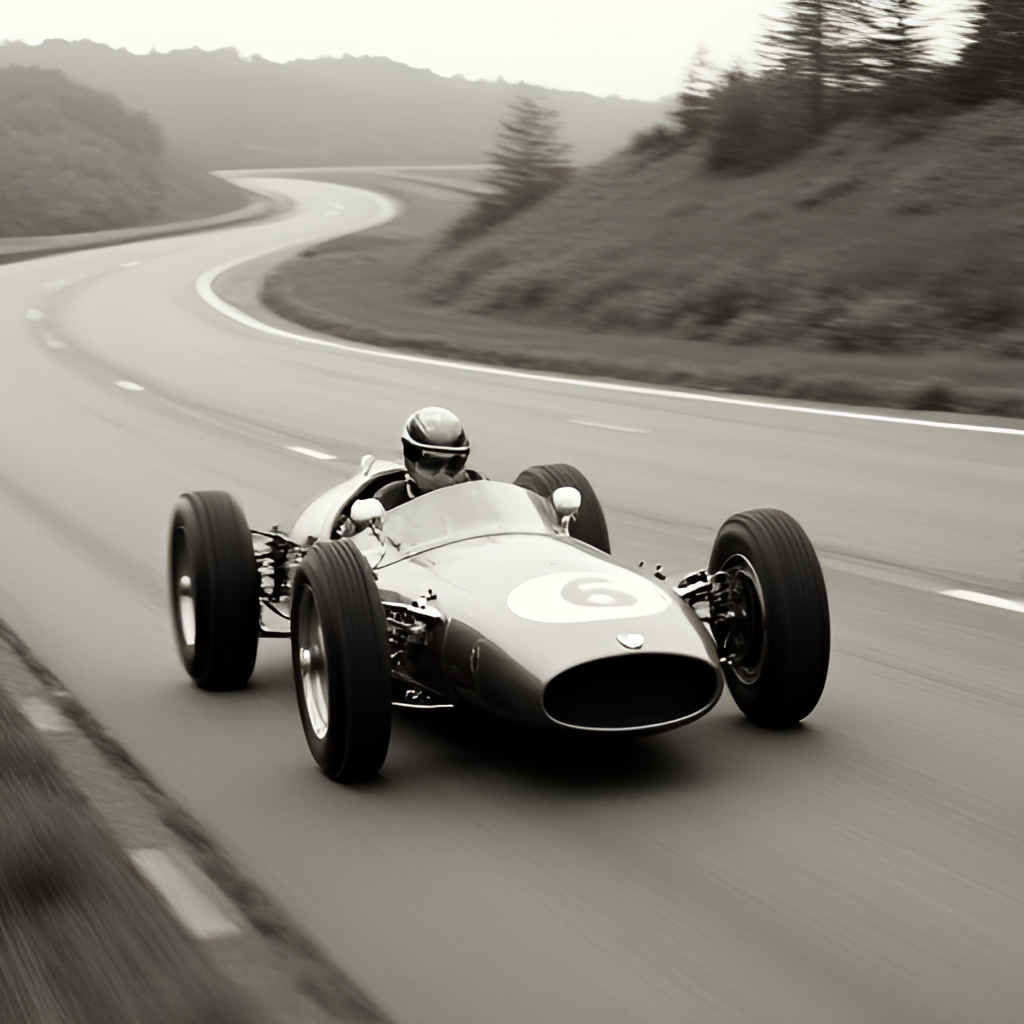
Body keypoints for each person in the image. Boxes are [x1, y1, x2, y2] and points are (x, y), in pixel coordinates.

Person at [374, 407, 483, 510]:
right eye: (433, 463)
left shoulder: (481, 489)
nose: (445, 477)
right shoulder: (389, 501)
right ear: (410, 460)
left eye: (455, 462)